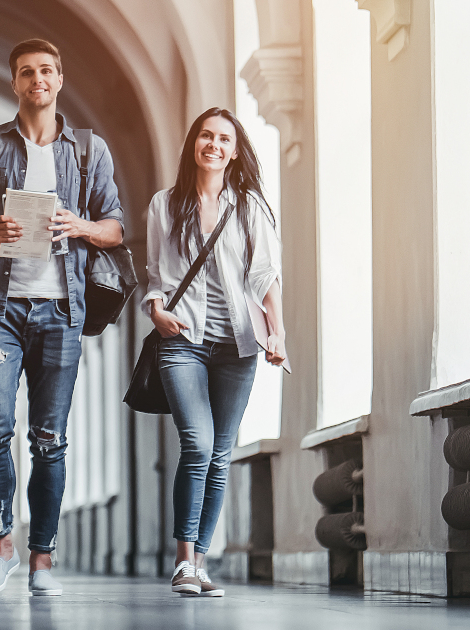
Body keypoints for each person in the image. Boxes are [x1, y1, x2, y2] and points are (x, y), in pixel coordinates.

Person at [0, 38, 124, 597]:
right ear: (15, 83)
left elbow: (116, 227)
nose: (37, 80)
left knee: (49, 439)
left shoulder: (88, 151)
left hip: (61, 309)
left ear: (60, 78)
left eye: (46, 70)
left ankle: (42, 561)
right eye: (27, 72)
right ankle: (1, 547)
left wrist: (81, 227)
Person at [143, 107, 286, 597]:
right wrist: (156, 312)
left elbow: (265, 275)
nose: (214, 145)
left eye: (224, 138)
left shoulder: (248, 206)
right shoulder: (165, 204)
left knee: (220, 454)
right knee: (198, 445)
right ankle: (184, 561)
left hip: (238, 345)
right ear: (194, 144)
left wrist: (278, 332)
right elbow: (156, 274)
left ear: (235, 149)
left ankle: (201, 562)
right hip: (182, 340)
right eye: (206, 136)